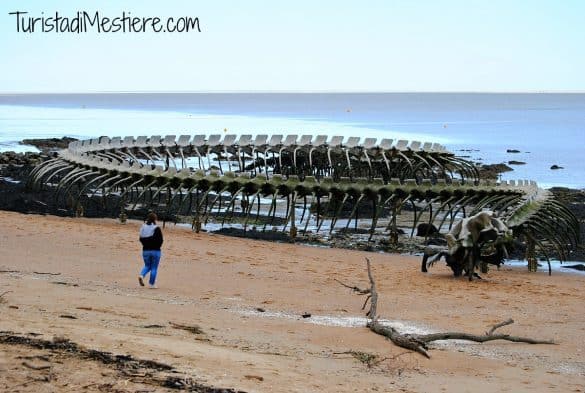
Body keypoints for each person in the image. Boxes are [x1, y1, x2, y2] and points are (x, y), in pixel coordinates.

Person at [138, 212, 164, 288]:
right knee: (154, 267)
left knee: (147, 265)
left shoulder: (143, 227)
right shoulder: (156, 228)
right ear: (155, 219)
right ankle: (152, 284)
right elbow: (160, 240)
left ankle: (141, 275)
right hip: (155, 251)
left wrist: (145, 245)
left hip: (145, 250)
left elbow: (140, 238)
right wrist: (158, 246)